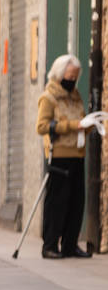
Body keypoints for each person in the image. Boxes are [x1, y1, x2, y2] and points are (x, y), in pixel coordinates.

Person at [36, 54, 93, 259]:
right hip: (58, 155)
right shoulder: (49, 97)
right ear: (60, 74)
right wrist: (72, 126)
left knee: (76, 202)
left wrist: (88, 125)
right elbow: (41, 126)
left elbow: (80, 120)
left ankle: (70, 244)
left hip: (77, 153)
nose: (72, 79)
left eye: (75, 76)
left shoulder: (75, 96)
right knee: (57, 202)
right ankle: (50, 245)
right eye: (70, 75)